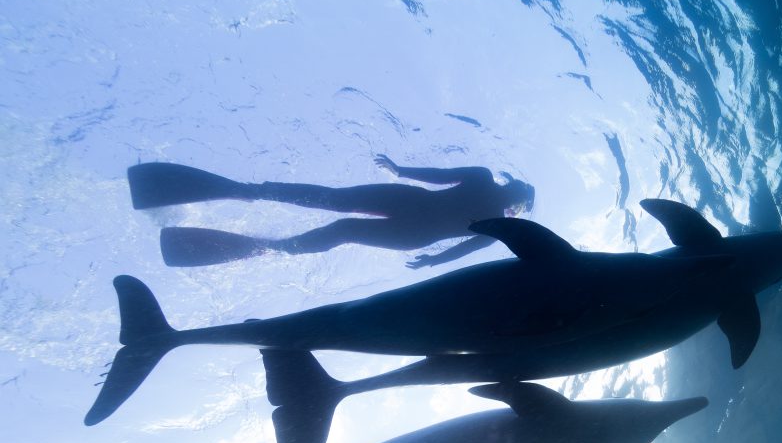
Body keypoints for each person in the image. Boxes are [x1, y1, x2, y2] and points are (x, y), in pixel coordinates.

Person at [129, 155, 535, 268]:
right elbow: (459, 249)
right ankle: (271, 246)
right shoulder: (499, 225)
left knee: (335, 209)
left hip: (410, 209)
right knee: (338, 218)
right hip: (414, 223)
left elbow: (437, 176)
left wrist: (400, 171)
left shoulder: (491, 202)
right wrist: (431, 262)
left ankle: (252, 204)